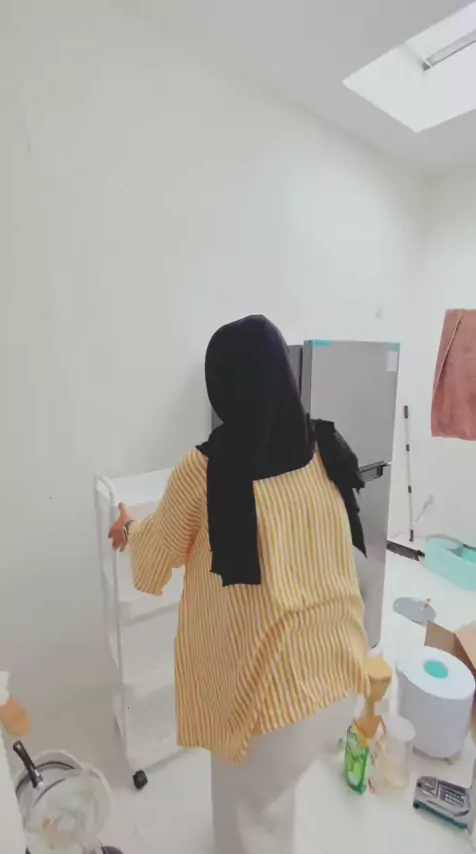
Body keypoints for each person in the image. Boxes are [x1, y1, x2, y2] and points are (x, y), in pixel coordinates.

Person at [109, 315, 369, 854]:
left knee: (247, 817)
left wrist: (128, 526)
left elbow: (154, 557)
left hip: (267, 712)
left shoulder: (206, 471)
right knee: (273, 794)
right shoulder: (321, 444)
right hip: (342, 676)